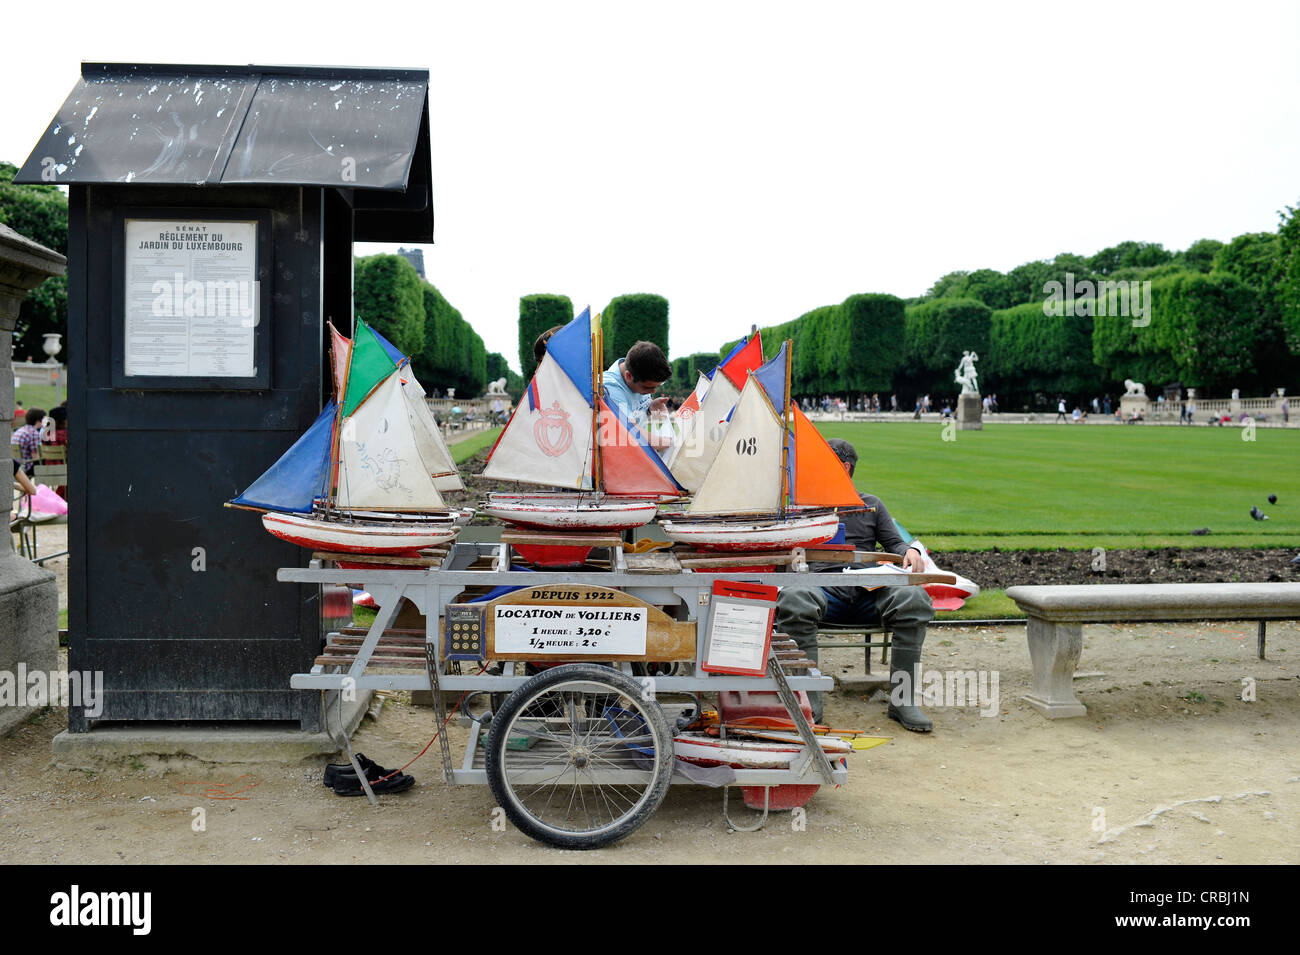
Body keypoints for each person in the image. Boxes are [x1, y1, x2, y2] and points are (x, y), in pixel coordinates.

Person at [774, 439, 936, 732]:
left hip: (868, 591)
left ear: (844, 468)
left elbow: (896, 543)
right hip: (821, 591)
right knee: (795, 598)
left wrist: (909, 551)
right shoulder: (803, 508)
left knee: (914, 599)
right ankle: (808, 705)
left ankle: (903, 701)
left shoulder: (872, 505)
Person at [601, 340, 673, 449]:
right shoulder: (609, 388)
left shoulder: (639, 372)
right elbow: (631, 431)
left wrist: (650, 408)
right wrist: (667, 442)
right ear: (628, 376)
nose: (653, 391)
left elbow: (634, 413)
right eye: (647, 387)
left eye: (657, 386)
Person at [10, 408, 44, 477]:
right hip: (26, 467)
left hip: (16, 466)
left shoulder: (20, 430)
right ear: (38, 421)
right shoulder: (34, 433)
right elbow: (35, 457)